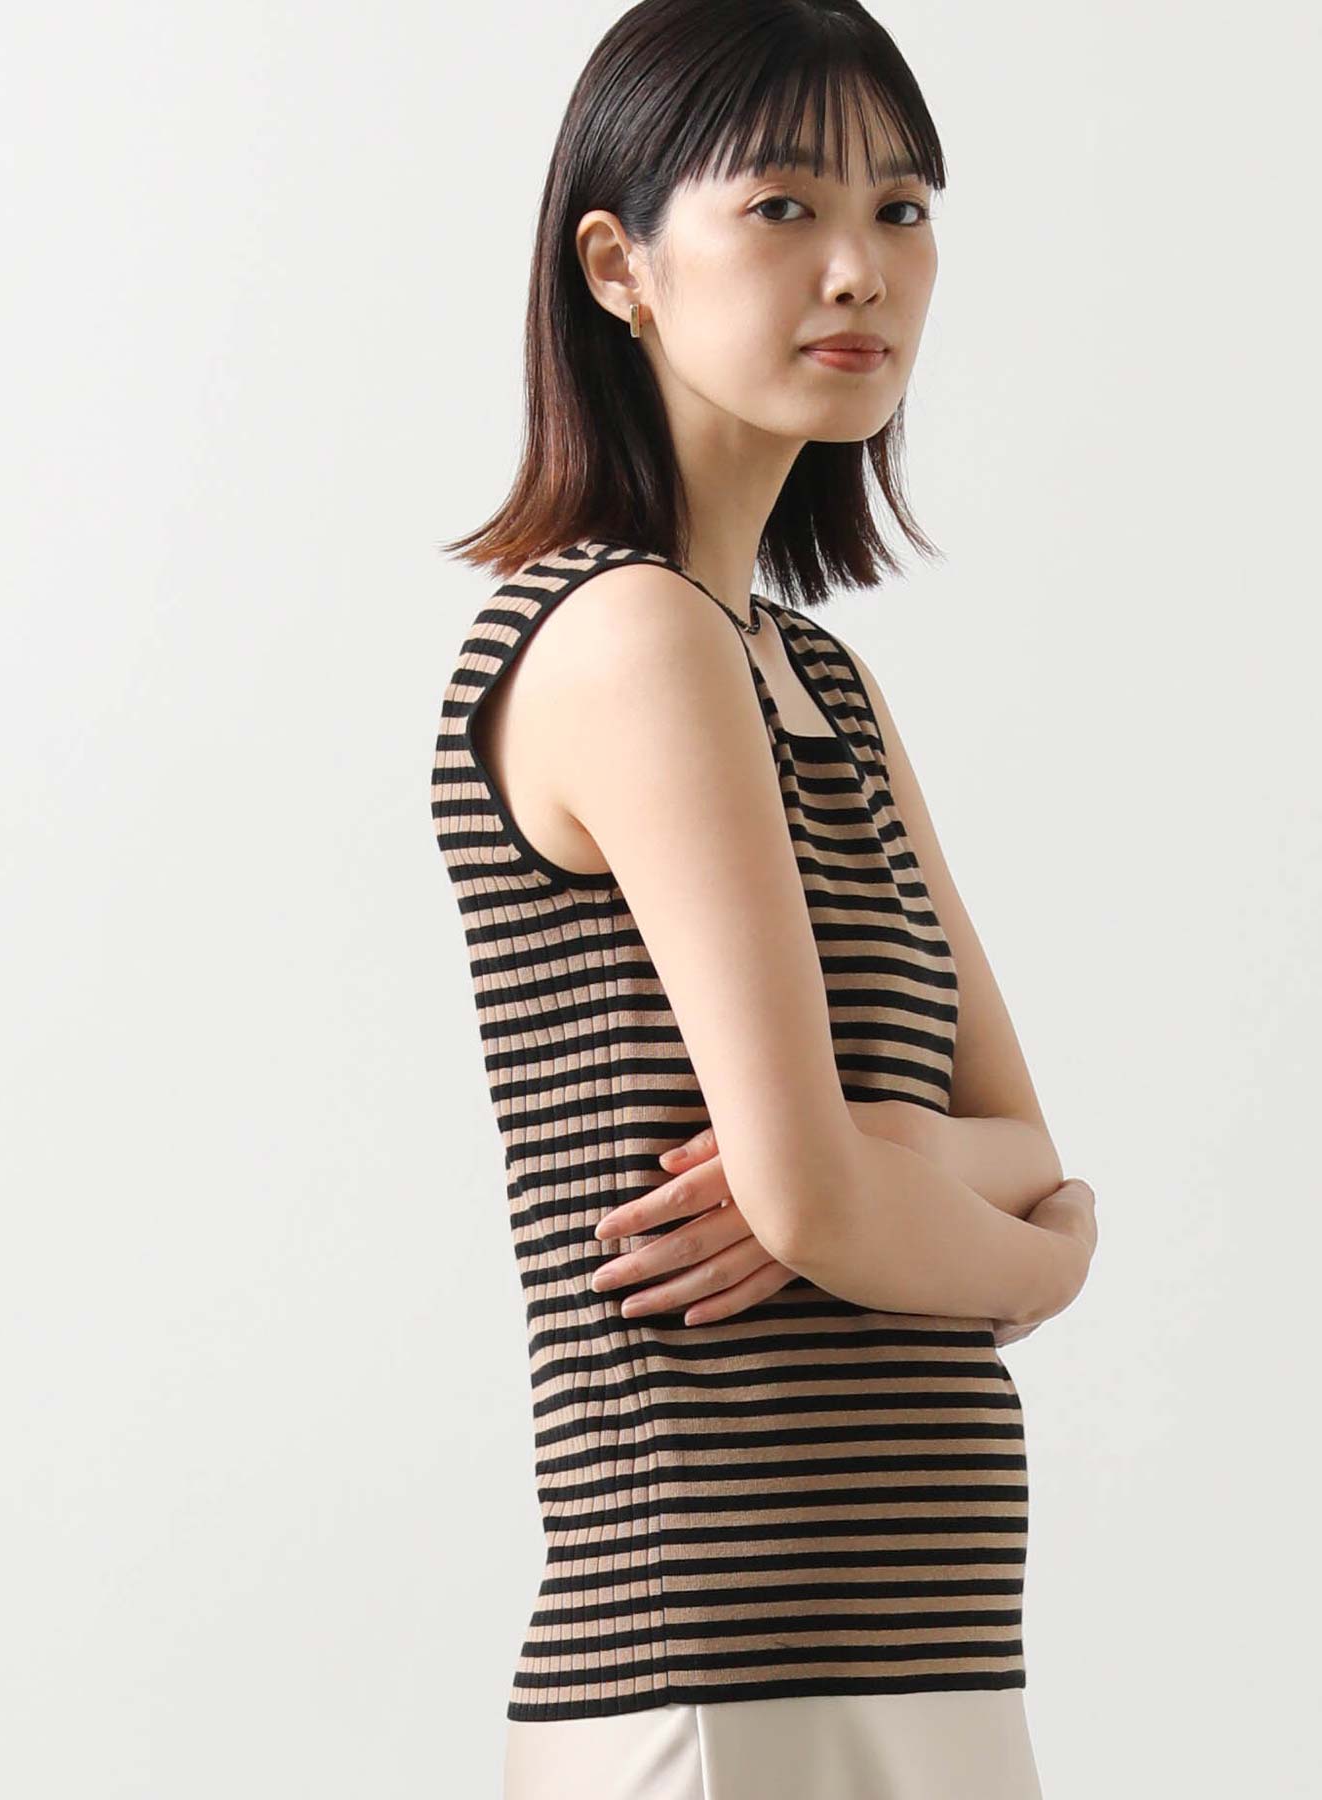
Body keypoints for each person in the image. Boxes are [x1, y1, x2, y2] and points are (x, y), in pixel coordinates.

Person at [427, 2, 1098, 1794]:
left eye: (902, 209)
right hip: (719, 1662)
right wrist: (1043, 1247)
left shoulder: (819, 682)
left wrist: (904, 1160)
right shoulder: (627, 636)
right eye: (785, 207)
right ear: (618, 267)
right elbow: (825, 1204)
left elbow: (1013, 1139)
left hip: (924, 1637)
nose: (859, 268)